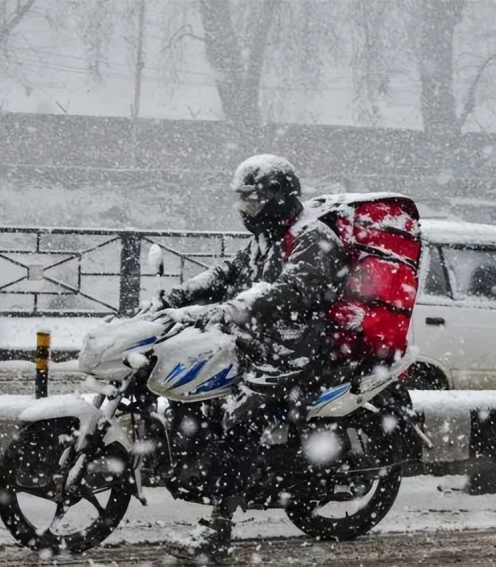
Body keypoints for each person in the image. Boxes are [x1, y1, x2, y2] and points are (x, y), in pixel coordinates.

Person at [157, 154, 348, 562]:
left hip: (296, 350)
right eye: (242, 202)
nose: (246, 211)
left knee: (241, 415)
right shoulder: (268, 236)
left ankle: (218, 528)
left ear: (278, 197)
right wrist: (180, 294)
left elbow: (291, 290)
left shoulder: (313, 238)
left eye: (253, 201)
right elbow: (229, 271)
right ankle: (206, 471)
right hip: (256, 343)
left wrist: (232, 309)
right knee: (196, 386)